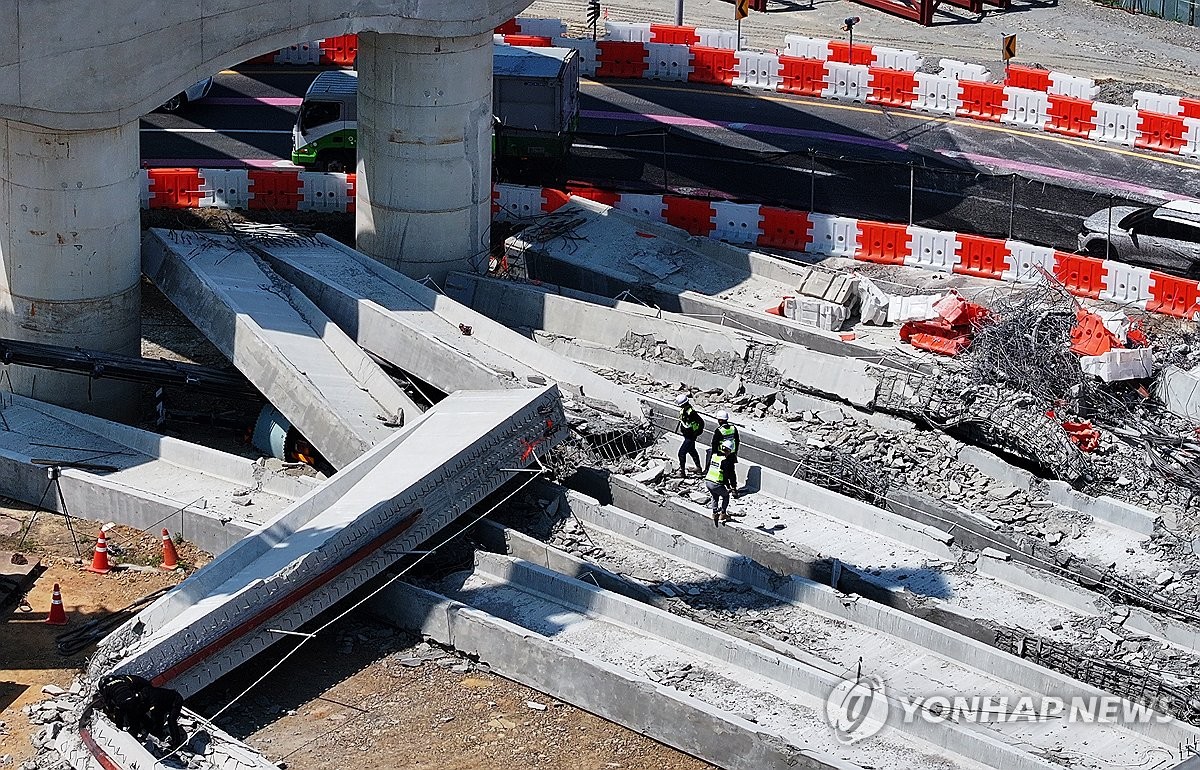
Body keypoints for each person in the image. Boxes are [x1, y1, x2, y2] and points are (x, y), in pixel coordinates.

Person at [711, 410, 741, 497]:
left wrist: (714, 455)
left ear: (720, 420)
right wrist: (735, 452)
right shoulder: (733, 428)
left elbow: (714, 444)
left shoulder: (719, 430)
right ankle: (734, 488)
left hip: (722, 454)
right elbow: (737, 440)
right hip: (731, 453)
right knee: (732, 472)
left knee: (723, 472)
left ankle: (727, 487)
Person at [675, 393, 705, 478]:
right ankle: (698, 469)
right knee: (692, 451)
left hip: (690, 437)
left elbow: (701, 422)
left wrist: (696, 433)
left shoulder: (691, 412)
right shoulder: (684, 410)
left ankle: (682, 472)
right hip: (687, 435)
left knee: (681, 453)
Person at [704, 450, 730, 526]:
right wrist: (728, 487)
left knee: (715, 496)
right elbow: (725, 476)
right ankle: (723, 513)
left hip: (708, 481)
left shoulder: (714, 456)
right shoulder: (724, 460)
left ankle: (715, 513)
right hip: (716, 483)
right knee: (726, 496)